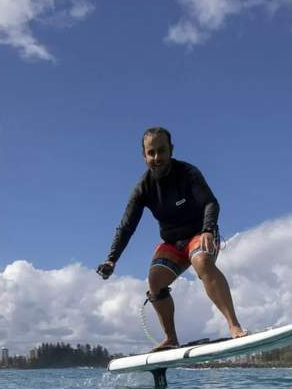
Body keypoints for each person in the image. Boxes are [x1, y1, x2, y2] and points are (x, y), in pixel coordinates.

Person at [97, 127, 247, 350]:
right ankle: (171, 339)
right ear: (144, 156)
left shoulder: (188, 173)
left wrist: (208, 229)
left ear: (171, 150)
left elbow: (210, 202)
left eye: (161, 151)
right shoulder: (143, 188)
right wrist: (111, 259)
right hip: (173, 243)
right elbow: (126, 226)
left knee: (202, 261)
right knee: (155, 280)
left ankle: (234, 326)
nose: (157, 157)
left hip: (200, 233)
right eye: (151, 153)